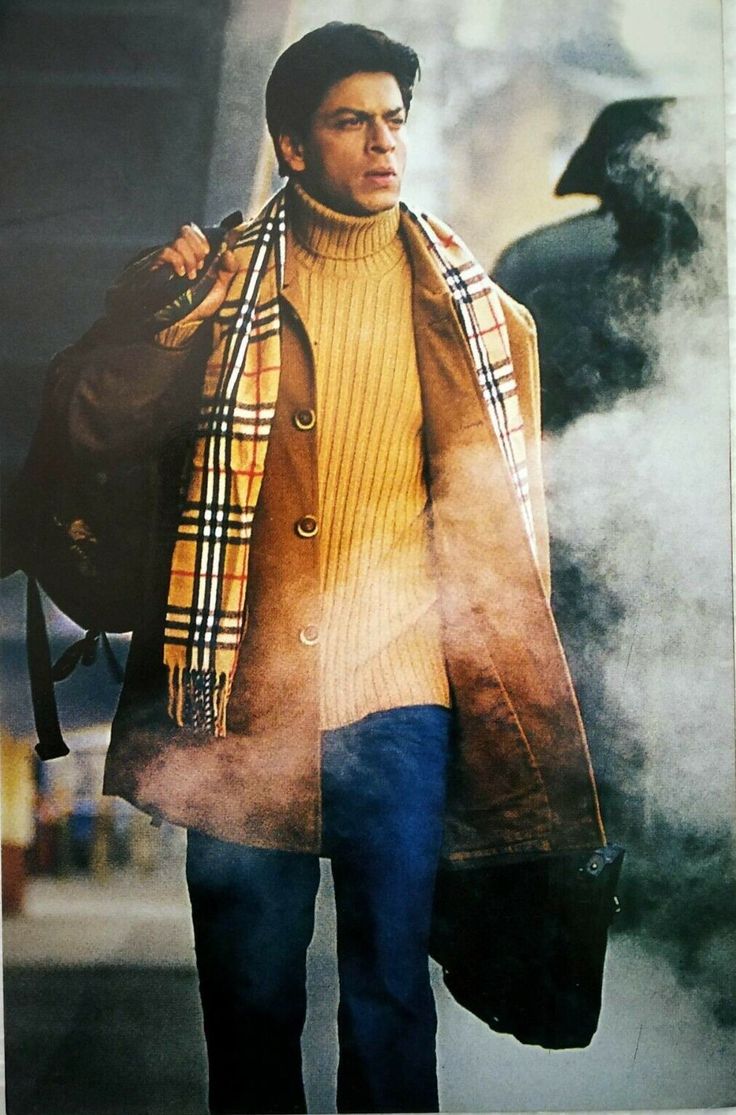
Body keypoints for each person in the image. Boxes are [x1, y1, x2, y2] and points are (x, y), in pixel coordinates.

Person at [47, 22, 605, 1115]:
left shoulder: (476, 315)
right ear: (293, 146)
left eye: (393, 118)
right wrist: (149, 314)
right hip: (241, 702)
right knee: (249, 993)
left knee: (389, 994)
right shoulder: (210, 295)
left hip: (402, 703)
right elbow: (86, 423)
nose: (382, 142)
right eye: (351, 120)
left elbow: (505, 544)